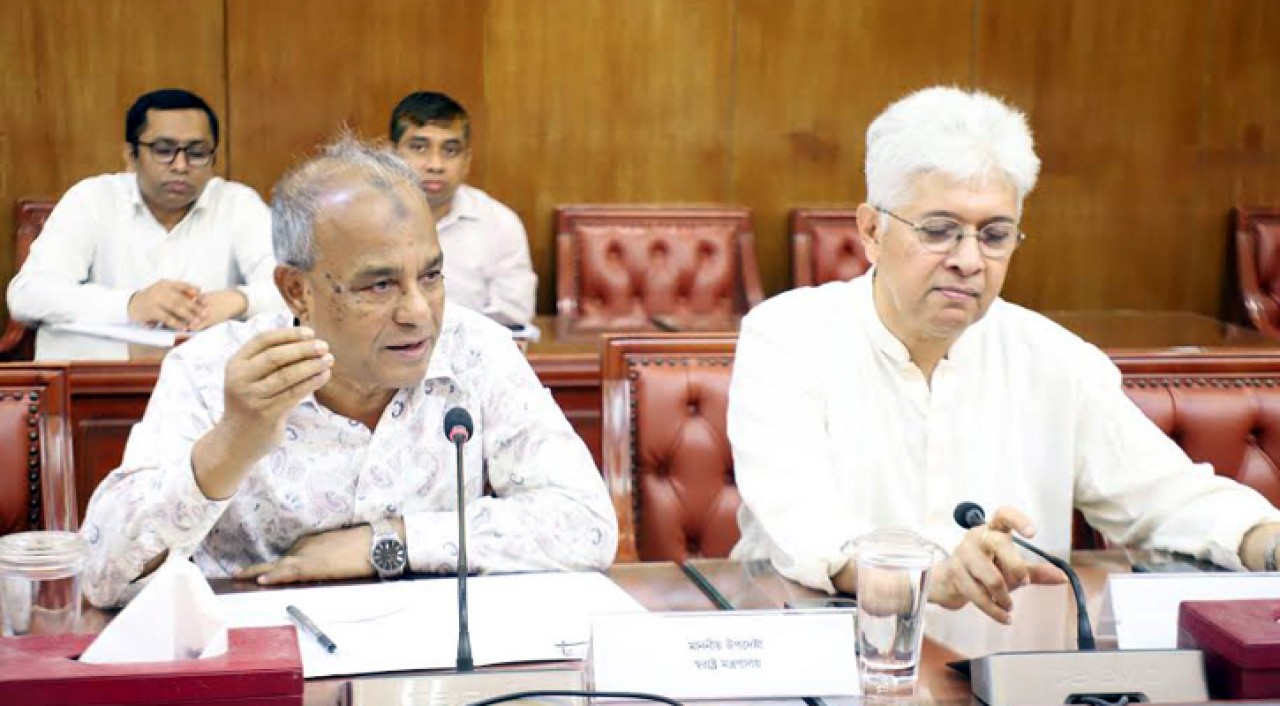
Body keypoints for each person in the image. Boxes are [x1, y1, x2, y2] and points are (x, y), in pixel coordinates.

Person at [728, 86, 1280, 624]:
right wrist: (935, 578)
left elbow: (1171, 499)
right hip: (819, 643)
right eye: (939, 231)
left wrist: (1266, 541)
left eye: (994, 235)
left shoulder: (1054, 359)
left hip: (1006, 658)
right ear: (872, 231)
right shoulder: (788, 339)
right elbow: (808, 533)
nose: (969, 260)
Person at [80, 135, 615, 608]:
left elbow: (586, 524)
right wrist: (232, 443)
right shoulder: (208, 371)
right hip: (266, 656)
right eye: (379, 285)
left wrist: (387, 543)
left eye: (431, 276)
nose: (418, 312)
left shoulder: (477, 351)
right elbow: (103, 576)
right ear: (297, 291)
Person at [6, 89, 284, 360]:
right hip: (106, 377)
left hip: (212, 378)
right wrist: (131, 304)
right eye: (163, 150)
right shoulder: (91, 200)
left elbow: (295, 289)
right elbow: (28, 295)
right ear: (131, 156)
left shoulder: (237, 204)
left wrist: (241, 300)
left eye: (197, 152)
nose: (181, 165)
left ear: (214, 159)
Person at [389, 91, 536, 327]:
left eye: (450, 151)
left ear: (466, 160)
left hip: (472, 348)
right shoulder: (360, 220)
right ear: (392, 154)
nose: (435, 165)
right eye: (419, 147)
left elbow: (512, 319)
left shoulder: (500, 224)